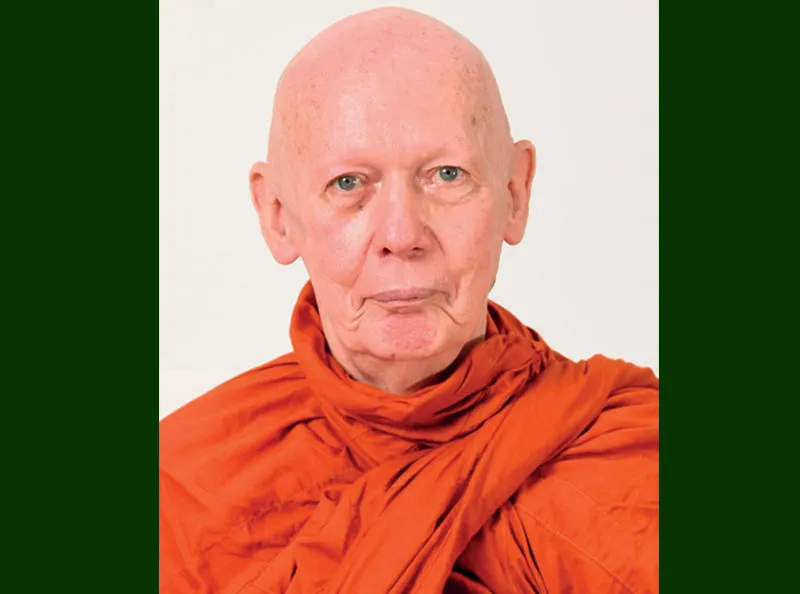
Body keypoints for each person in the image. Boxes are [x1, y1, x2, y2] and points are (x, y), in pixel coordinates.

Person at [159, 7, 658, 593]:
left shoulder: (633, 467)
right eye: (348, 183)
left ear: (515, 192)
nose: (402, 235)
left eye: (446, 175)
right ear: (277, 214)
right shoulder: (179, 486)